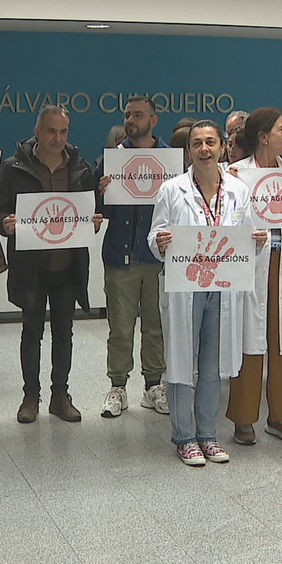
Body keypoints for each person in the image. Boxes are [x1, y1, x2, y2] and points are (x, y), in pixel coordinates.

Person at [149, 119, 264, 465]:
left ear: (223, 147)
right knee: (182, 361)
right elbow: (154, 235)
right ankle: (185, 436)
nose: (204, 149)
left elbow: (249, 235)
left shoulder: (239, 191)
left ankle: (208, 435)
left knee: (212, 364)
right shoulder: (172, 190)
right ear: (188, 151)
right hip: (186, 287)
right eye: (197, 143)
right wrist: (160, 242)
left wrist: (258, 241)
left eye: (211, 142)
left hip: (222, 288)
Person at [0, 105, 102, 424]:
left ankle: (60, 395)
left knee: (64, 333)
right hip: (31, 268)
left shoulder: (80, 169)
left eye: (63, 131)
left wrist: (91, 222)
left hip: (68, 267)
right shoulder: (13, 168)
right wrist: (4, 224)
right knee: (31, 333)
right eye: (51, 131)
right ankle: (30, 396)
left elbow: (87, 213)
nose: (58, 138)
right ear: (37, 131)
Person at [227, 107, 282, 444]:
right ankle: (244, 418)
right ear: (263, 137)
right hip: (252, 262)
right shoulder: (235, 175)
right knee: (249, 337)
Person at [95, 96, 170, 418]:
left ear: (153, 120)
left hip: (157, 258)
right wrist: (103, 193)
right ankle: (117, 387)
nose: (130, 120)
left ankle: (153, 385)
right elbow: (99, 212)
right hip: (120, 254)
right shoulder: (111, 160)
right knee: (120, 328)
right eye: (127, 115)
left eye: (138, 115)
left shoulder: (171, 161)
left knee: (156, 326)